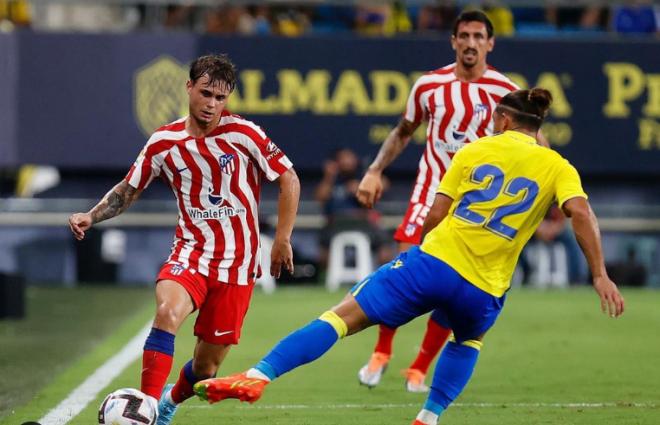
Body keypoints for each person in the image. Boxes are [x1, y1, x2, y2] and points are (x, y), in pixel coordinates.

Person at [191, 88, 624, 425]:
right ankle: (428, 417)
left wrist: (424, 262)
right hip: (486, 287)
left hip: (436, 262)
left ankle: (260, 375)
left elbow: (435, 214)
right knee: (468, 340)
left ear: (505, 120)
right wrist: (599, 274)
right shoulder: (558, 166)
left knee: (342, 317)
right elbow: (580, 213)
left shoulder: (475, 151)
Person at [68, 54, 300, 425]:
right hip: (190, 253)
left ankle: (167, 403)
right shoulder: (164, 141)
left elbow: (289, 179)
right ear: (189, 86)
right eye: (206, 93)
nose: (211, 104)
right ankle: (143, 408)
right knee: (166, 313)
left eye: (220, 98)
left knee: (206, 368)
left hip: (238, 265)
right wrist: (91, 215)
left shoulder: (245, 133)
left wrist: (282, 239)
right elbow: (128, 189)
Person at [355, 9, 541, 393]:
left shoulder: (506, 92)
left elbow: (537, 144)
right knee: (402, 268)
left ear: (490, 43)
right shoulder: (429, 85)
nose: (471, 43)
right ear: (453, 41)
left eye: (478, 36)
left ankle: (419, 367)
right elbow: (404, 131)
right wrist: (374, 170)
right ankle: (381, 352)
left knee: (454, 288)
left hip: (476, 208)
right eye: (464, 35)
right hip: (430, 193)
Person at [316, 148, 393, 268]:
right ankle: (326, 278)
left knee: (384, 242)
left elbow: (385, 185)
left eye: (350, 158)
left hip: (363, 223)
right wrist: (329, 176)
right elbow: (320, 198)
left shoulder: (363, 175)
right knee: (322, 244)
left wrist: (361, 188)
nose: (347, 162)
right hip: (336, 224)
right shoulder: (333, 180)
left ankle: (385, 275)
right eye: (343, 158)